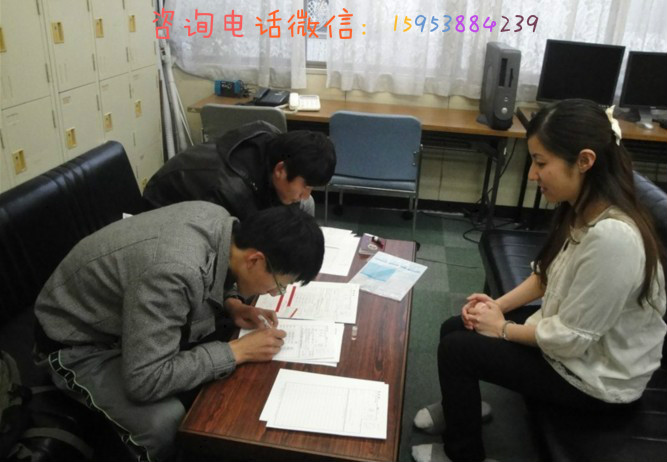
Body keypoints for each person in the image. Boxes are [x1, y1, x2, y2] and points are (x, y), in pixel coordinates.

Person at [412, 99, 667, 462]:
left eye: (541, 163)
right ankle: (460, 409)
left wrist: (501, 328)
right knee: (456, 326)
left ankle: (463, 454)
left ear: (585, 161)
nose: (533, 174)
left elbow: (571, 339)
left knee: (458, 352)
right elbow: (546, 276)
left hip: (598, 379)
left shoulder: (614, 239)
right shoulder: (584, 207)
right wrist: (495, 306)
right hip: (575, 346)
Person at [33, 203, 324, 462]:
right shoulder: (173, 271)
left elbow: (210, 275)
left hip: (122, 322)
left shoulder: (219, 221)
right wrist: (237, 351)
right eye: (279, 284)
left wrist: (231, 302)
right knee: (164, 423)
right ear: (255, 260)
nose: (274, 293)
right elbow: (145, 379)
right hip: (77, 343)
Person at [142, 121, 337, 219]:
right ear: (280, 170)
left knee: (306, 205)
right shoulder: (231, 192)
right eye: (305, 186)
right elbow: (235, 253)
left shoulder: (273, 144)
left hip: (221, 196)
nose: (305, 194)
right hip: (162, 221)